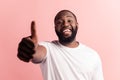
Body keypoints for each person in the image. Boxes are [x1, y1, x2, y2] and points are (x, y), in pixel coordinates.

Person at [17, 10, 104, 80]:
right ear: (55, 28)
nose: (65, 24)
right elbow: (38, 53)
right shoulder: (48, 48)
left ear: (77, 25)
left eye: (69, 20)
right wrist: (31, 49)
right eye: (59, 22)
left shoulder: (92, 55)